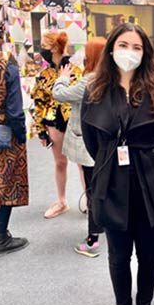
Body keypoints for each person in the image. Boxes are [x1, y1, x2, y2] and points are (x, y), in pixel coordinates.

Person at [81, 23, 154, 305]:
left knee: (149, 254)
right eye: (124, 45)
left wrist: (143, 157)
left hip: (151, 182)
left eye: (137, 47)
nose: (130, 52)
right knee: (119, 257)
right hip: (111, 184)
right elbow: (93, 142)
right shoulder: (94, 91)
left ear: (145, 53)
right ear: (111, 49)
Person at [53, 37, 107, 258]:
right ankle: (102, 226)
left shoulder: (90, 80)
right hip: (103, 143)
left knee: (93, 190)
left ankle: (93, 239)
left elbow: (60, 95)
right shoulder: (109, 79)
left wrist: (62, 78)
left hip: (89, 143)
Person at [31, 31, 80, 219]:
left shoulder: (76, 71)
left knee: (83, 164)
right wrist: (41, 131)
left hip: (75, 122)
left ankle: (90, 201)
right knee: (60, 162)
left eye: (44, 47)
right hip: (52, 122)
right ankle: (61, 201)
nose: (41, 50)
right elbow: (38, 103)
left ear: (54, 49)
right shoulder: (44, 74)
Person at [0, 21, 29, 256]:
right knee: (5, 184)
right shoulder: (7, 67)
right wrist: (21, 136)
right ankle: (0, 237)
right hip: (4, 136)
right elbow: (15, 111)